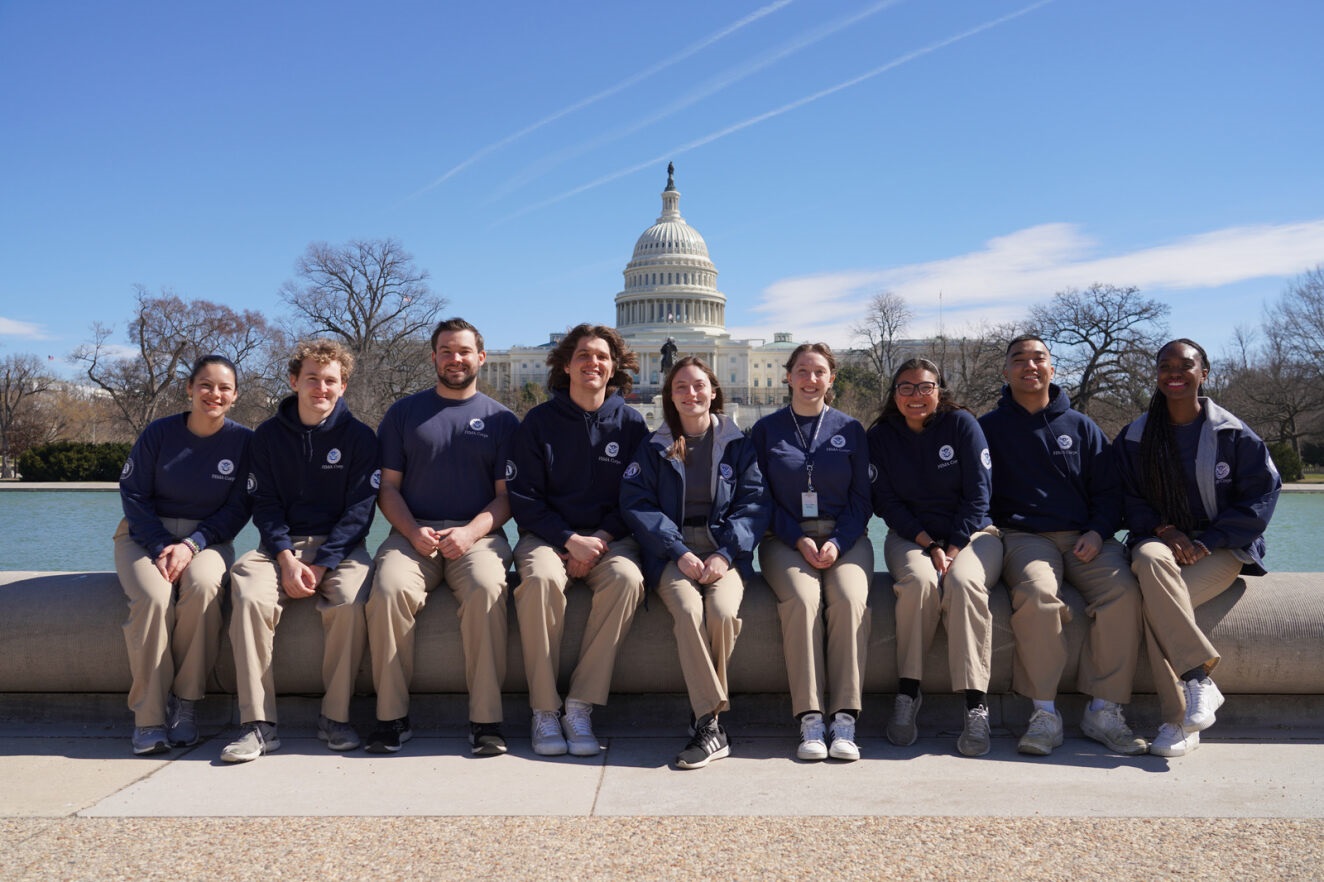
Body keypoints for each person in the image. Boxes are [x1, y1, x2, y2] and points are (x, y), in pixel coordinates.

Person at [978, 334, 1147, 757]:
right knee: (1037, 594)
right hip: (1023, 537)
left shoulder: (1082, 426)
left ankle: (1104, 710)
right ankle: (1044, 713)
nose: (1030, 366)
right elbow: (974, 491)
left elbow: (1110, 492)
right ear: (1006, 372)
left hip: (1086, 536)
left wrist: (1096, 530)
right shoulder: (987, 429)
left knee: (1124, 592)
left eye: (1039, 359)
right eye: (1019, 360)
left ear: (1053, 369)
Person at [1114, 339, 1280, 757]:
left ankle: (1177, 721)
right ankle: (1197, 682)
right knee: (1150, 559)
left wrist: (1208, 541)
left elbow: (1259, 499)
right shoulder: (1136, 437)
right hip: (1158, 543)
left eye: (1185, 365)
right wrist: (1165, 530)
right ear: (1156, 375)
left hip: (1223, 548)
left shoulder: (1234, 435)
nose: (1174, 372)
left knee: (1156, 607)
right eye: (1165, 365)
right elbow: (1126, 497)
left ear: (1203, 373)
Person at [220, 339, 380, 763]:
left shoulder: (362, 438)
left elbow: (360, 512)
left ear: (343, 386)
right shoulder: (267, 437)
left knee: (348, 601)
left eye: (330, 380)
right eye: (312, 379)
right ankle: (258, 725)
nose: (321, 388)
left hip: (340, 548)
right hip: (278, 547)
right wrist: (286, 557)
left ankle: (336, 717)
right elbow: (264, 503)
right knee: (250, 596)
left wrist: (325, 564)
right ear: (294, 381)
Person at [364, 319, 518, 756]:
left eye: (464, 351)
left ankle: (486, 720)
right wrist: (412, 532)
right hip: (412, 535)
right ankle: (391, 718)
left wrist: (469, 533)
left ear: (480, 358)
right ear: (433, 357)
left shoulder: (502, 420)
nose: (455, 359)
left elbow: (507, 498)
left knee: (489, 588)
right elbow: (388, 487)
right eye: (446, 351)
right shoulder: (403, 414)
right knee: (388, 589)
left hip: (479, 536)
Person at [507, 324, 649, 757]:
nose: (593, 363)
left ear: (614, 367)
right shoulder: (539, 422)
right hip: (548, 536)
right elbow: (524, 498)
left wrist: (600, 539)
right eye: (583, 355)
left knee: (627, 580)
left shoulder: (630, 423)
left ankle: (580, 704)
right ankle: (544, 710)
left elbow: (638, 496)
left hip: (610, 539)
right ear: (565, 365)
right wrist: (569, 540)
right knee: (542, 581)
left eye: (602, 357)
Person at [620, 357, 768, 769]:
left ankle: (707, 719)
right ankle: (710, 723)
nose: (691, 394)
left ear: (714, 391)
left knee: (720, 612)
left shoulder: (739, 444)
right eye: (681, 387)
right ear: (670, 395)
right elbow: (637, 504)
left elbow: (755, 505)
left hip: (726, 549)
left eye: (699, 385)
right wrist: (678, 551)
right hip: (672, 548)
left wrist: (725, 553)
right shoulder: (654, 445)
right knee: (687, 609)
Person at [115, 355, 252, 755]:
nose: (215, 394)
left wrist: (192, 543)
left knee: (206, 585)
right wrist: (160, 545)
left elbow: (239, 507)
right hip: (144, 536)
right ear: (190, 389)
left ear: (235, 396)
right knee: (154, 597)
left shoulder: (244, 441)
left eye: (224, 387)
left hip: (207, 540)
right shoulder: (159, 433)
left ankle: (186, 706)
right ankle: (149, 718)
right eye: (206, 385)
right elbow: (133, 495)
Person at [867, 358, 1000, 757]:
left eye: (925, 387)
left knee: (963, 583)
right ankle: (909, 692)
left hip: (974, 534)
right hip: (911, 536)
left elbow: (979, 495)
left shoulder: (962, 425)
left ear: (940, 390)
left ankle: (976, 703)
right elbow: (885, 502)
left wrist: (954, 546)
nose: (916, 396)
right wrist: (929, 544)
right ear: (894, 395)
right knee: (920, 582)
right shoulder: (881, 437)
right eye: (906, 388)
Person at [751, 342, 872, 762]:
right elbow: (759, 499)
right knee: (803, 601)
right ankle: (810, 716)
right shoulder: (766, 430)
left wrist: (838, 541)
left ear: (831, 378)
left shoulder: (851, 429)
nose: (810, 379)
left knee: (850, 599)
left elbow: (862, 500)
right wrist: (798, 539)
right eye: (802, 371)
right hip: (785, 537)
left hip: (846, 537)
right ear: (788, 376)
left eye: (819, 371)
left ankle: (844, 717)